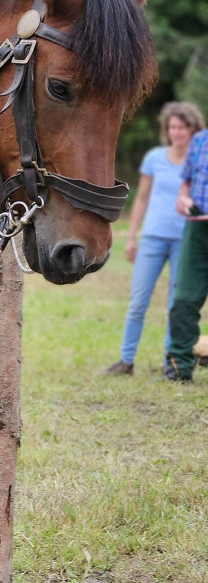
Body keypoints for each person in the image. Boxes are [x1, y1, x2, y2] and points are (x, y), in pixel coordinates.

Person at [103, 101, 204, 376]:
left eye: (183, 127)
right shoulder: (155, 158)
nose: (178, 132)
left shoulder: (200, 158)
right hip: (153, 238)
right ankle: (126, 360)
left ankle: (170, 361)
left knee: (177, 304)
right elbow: (142, 199)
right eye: (173, 127)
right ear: (166, 130)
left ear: (193, 129)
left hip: (186, 240)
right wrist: (132, 237)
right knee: (138, 301)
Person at [164, 112, 208, 381]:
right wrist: (182, 199)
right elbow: (187, 183)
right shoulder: (200, 140)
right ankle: (178, 368)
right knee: (184, 301)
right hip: (197, 229)